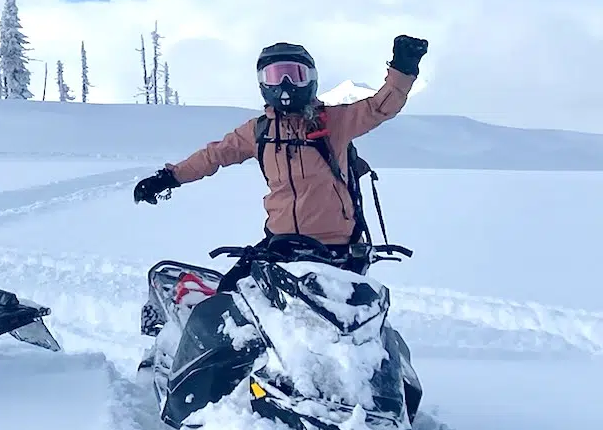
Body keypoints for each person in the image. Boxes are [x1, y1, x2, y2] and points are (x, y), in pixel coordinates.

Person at [133, 35, 430, 270]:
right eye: (276, 76)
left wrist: (402, 72)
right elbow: (214, 156)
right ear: (263, 82)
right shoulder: (259, 130)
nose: (285, 85)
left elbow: (379, 107)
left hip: (336, 249)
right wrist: (168, 178)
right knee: (231, 296)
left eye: (294, 75)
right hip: (281, 243)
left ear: (310, 79)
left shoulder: (334, 122)